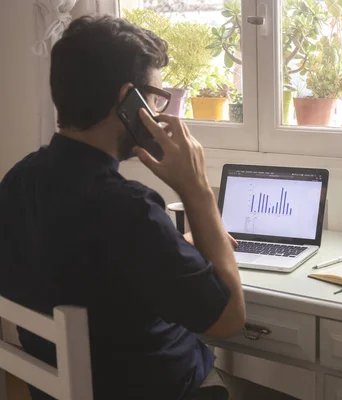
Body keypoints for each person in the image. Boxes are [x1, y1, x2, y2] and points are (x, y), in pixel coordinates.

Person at [0, 15, 245, 400]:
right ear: (126, 100)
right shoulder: (128, 208)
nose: (159, 111)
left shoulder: (18, 180)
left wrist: (173, 242)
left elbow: (89, 260)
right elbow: (228, 320)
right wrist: (197, 190)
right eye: (155, 98)